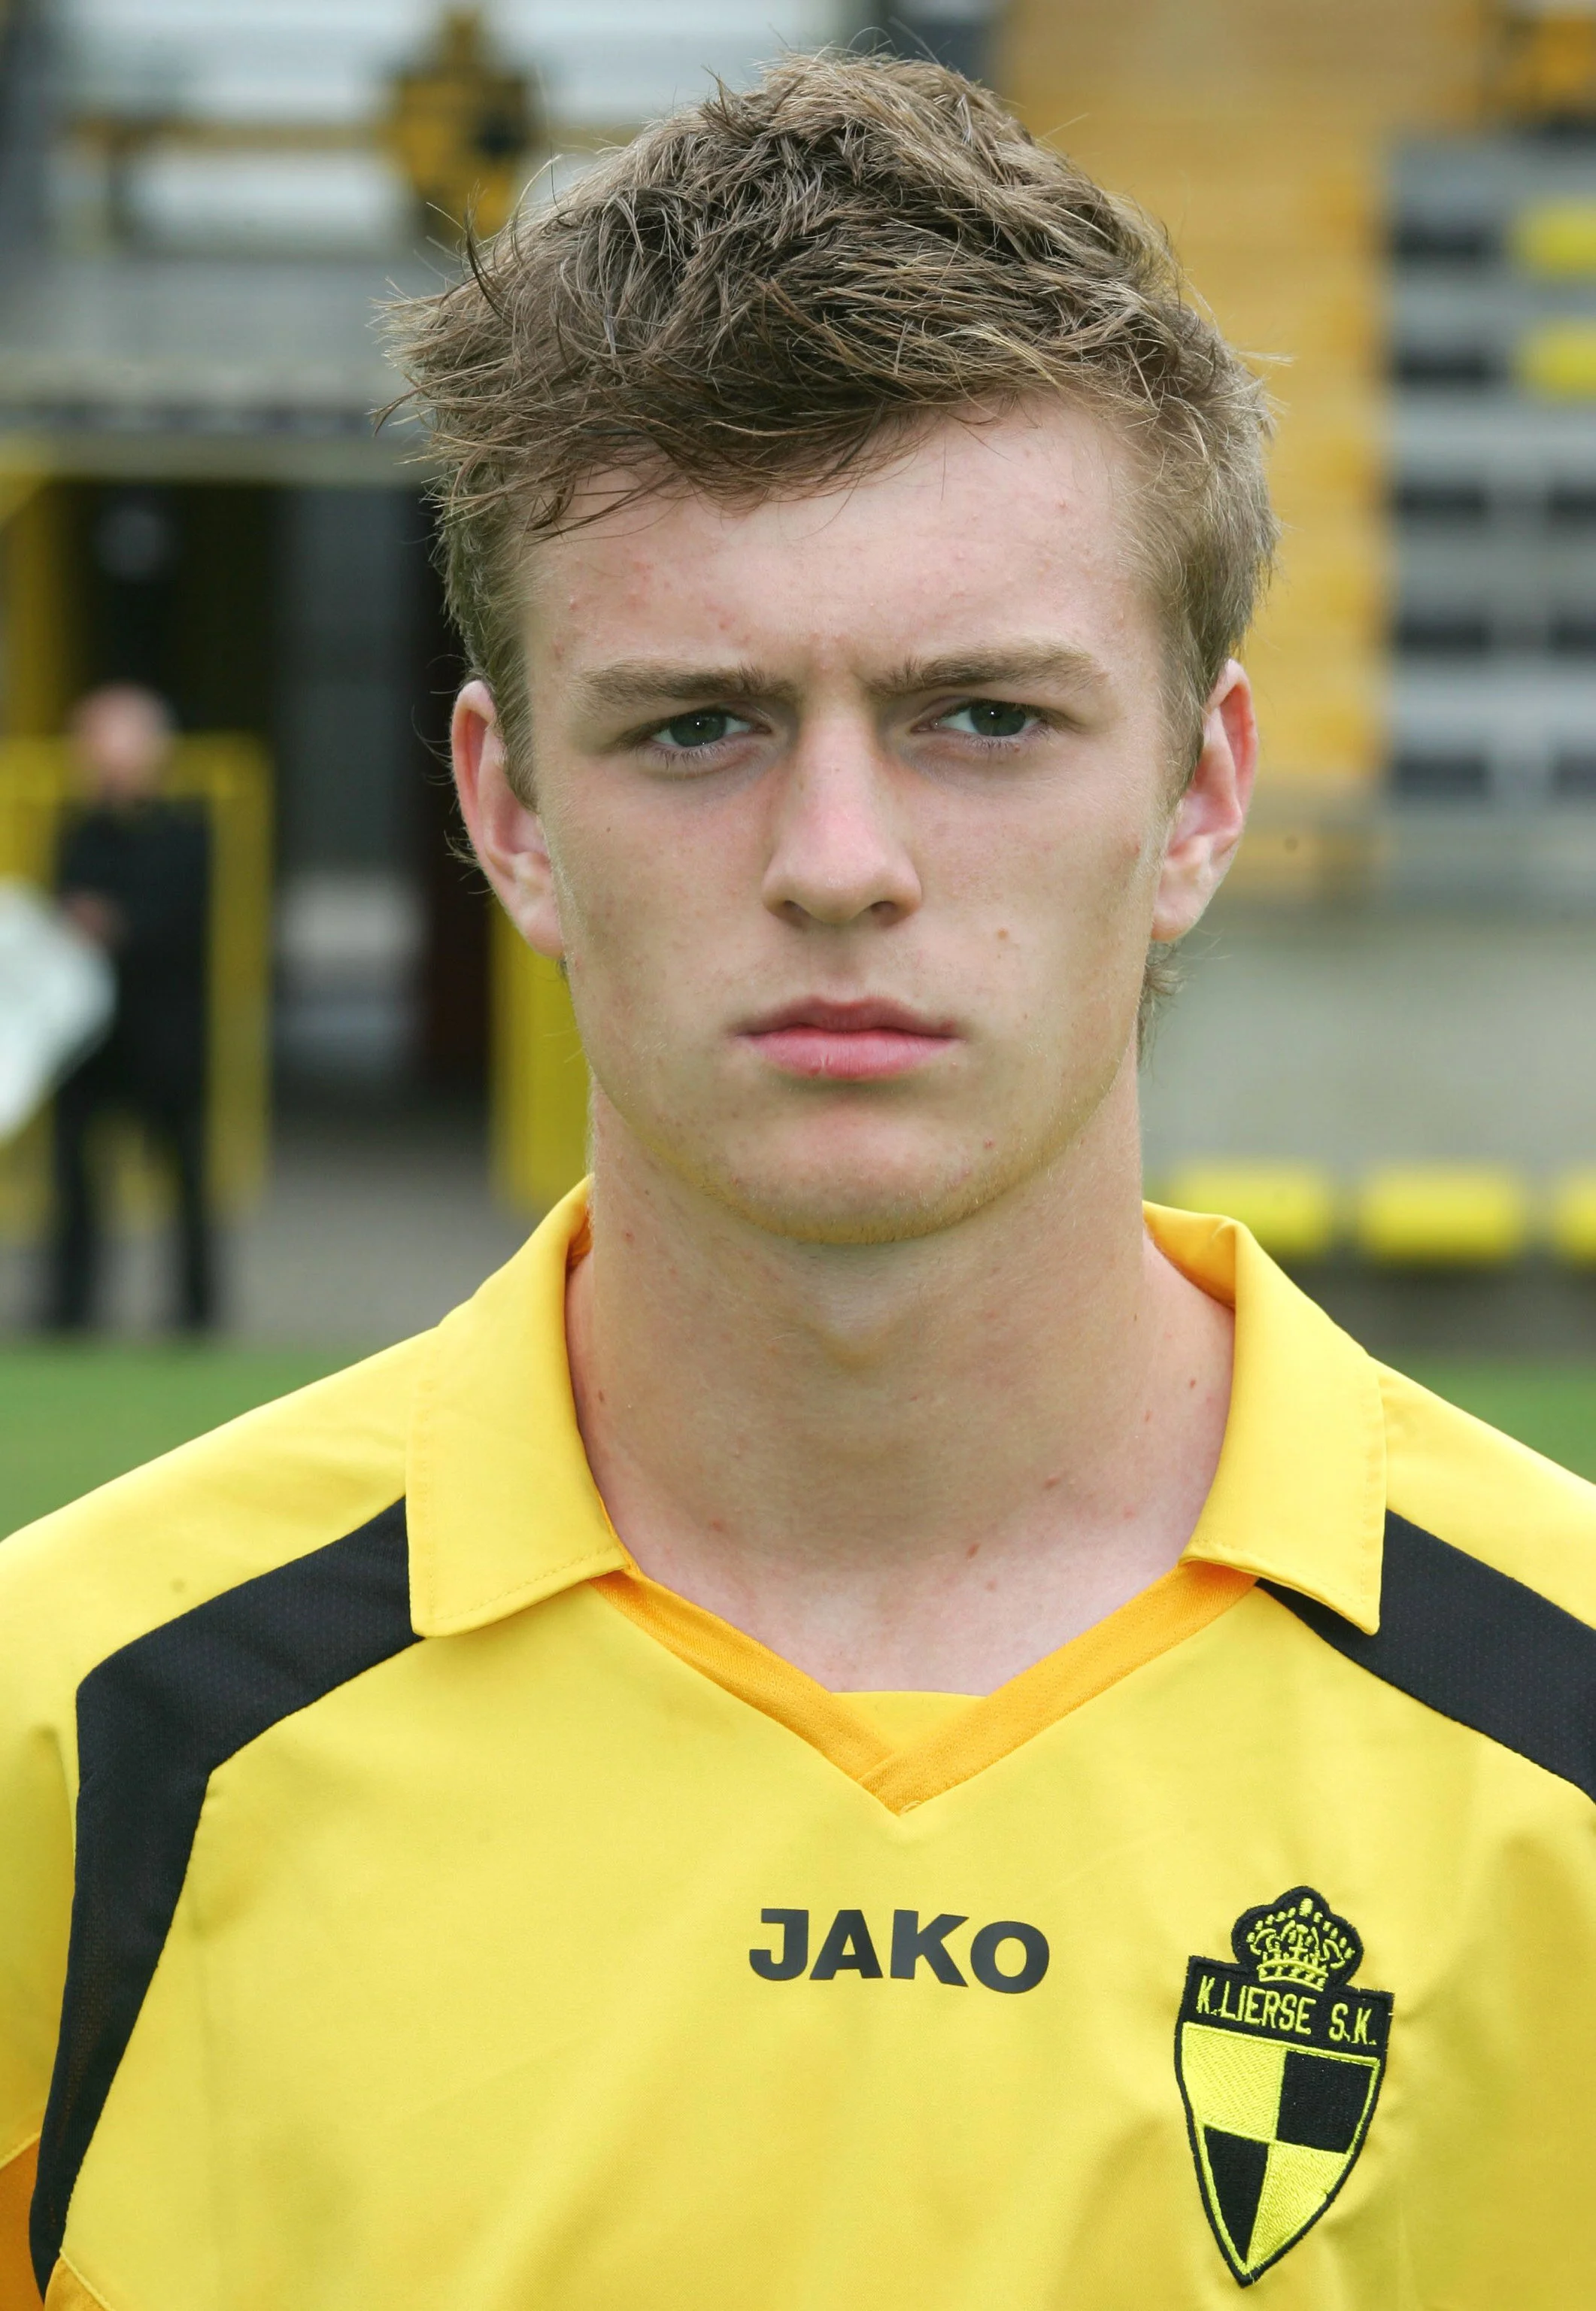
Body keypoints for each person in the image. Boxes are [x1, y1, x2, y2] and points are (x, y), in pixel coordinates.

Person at [1, 53, 1592, 2310]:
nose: (837, 864)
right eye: (696, 725)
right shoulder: (74, 1727)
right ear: (509, 807)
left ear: (1200, 791)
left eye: (981, 718)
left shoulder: (1557, 1729)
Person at [42, 683, 214, 1332]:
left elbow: (178, 921)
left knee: (185, 1175)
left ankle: (197, 1310)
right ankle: (70, 1307)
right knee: (75, 1177)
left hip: (164, 1034)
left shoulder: (185, 832)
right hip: (88, 1041)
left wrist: (115, 924)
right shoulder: (78, 832)